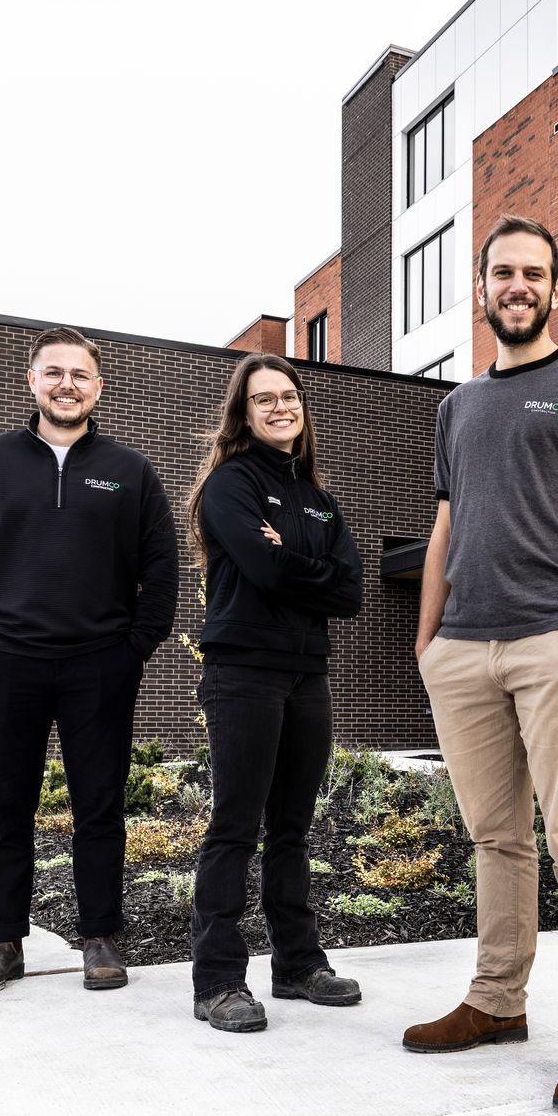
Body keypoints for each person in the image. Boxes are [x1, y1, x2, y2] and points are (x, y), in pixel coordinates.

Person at [402, 215, 558, 1113]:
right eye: (501, 272)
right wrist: (426, 642)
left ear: (554, 286)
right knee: (495, 838)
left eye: (533, 273)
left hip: (554, 642)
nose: (517, 285)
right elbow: (445, 528)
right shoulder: (456, 406)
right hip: (462, 650)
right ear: (481, 288)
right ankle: (498, 1001)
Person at [0, 325, 179, 994]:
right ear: (32, 381)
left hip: (101, 665)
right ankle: (2, 941)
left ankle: (100, 937)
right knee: (4, 810)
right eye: (54, 372)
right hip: (4, 663)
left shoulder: (130, 471)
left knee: (100, 807)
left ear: (99, 387)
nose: (66, 383)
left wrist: (135, 648)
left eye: (80, 374)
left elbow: (161, 566)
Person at [184, 352, 364, 1033]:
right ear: (245, 413)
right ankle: (219, 979)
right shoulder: (230, 483)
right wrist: (303, 562)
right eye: (265, 399)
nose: (280, 407)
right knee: (235, 824)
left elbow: (349, 590)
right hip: (242, 673)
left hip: (306, 672)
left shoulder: (320, 498)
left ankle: (297, 964)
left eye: (289, 396)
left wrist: (290, 556)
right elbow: (259, 568)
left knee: (292, 827)